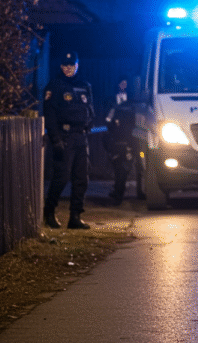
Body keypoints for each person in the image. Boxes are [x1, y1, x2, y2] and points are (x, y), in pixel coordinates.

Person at [43, 51, 95, 230]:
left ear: (77, 65)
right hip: (64, 137)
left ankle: (75, 217)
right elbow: (49, 114)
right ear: (60, 66)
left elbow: (90, 109)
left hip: (81, 136)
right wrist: (55, 139)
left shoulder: (84, 85)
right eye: (65, 65)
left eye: (71, 65)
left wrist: (88, 126)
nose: (67, 68)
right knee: (61, 178)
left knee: (82, 178)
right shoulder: (55, 85)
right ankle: (49, 213)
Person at [103, 75, 137, 204]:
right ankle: (118, 191)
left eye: (125, 83)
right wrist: (113, 123)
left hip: (130, 138)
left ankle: (119, 192)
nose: (123, 85)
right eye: (121, 83)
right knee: (118, 167)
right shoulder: (111, 100)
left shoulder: (132, 101)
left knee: (125, 167)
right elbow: (107, 118)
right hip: (116, 138)